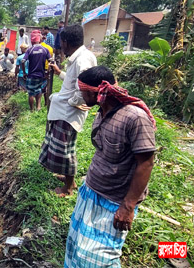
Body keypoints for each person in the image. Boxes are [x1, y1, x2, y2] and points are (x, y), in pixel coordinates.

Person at [65, 66, 156, 267]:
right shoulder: (103, 111)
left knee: (100, 257)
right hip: (92, 192)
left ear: (93, 92)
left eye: (82, 91)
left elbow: (146, 162)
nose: (80, 94)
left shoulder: (135, 118)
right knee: (77, 248)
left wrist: (128, 206)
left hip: (113, 202)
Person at [40, 24, 97, 196]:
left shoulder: (82, 60)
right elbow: (74, 82)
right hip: (65, 111)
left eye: (61, 42)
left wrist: (70, 102)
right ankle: (67, 178)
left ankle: (69, 187)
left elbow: (84, 89)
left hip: (68, 113)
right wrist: (59, 73)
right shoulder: (79, 57)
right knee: (62, 146)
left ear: (65, 42)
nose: (60, 46)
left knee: (65, 150)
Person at [22, 30, 50, 111]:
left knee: (31, 93)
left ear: (32, 40)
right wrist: (47, 72)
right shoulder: (45, 50)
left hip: (31, 75)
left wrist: (24, 72)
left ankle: (32, 109)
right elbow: (51, 61)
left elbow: (23, 61)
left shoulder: (29, 50)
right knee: (39, 90)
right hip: (41, 75)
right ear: (39, 39)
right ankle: (38, 106)